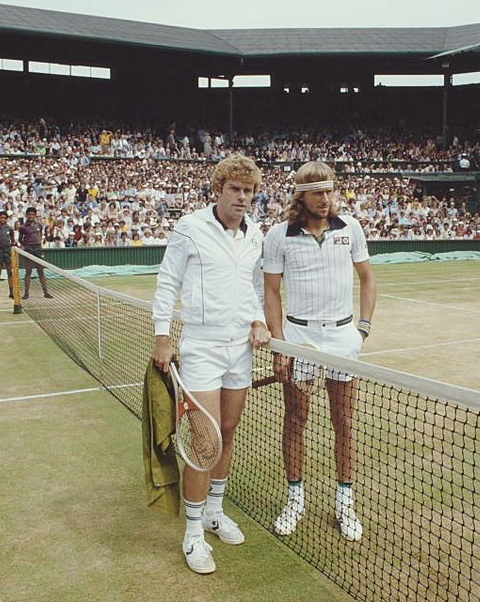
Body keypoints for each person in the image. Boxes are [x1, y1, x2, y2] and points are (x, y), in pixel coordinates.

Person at [150, 155, 271, 575]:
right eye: (235, 189)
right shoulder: (189, 227)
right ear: (218, 189)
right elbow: (168, 280)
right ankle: (193, 532)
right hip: (201, 346)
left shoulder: (255, 233)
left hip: (242, 348)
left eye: (249, 190)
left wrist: (258, 319)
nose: (242, 197)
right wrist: (162, 335)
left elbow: (252, 287)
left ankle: (216, 513)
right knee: (204, 442)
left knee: (228, 431)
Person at [262, 161, 377, 542]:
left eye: (329, 191)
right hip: (298, 338)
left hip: (343, 338)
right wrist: (279, 344)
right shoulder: (279, 236)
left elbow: (368, 280)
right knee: (295, 420)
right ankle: (295, 498)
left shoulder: (352, 229)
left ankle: (345, 502)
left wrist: (362, 330)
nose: (325, 199)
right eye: (317, 192)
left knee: (343, 422)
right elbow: (271, 293)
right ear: (301, 195)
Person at [19, 206, 53, 299]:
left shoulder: (39, 225)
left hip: (38, 249)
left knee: (41, 271)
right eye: (29, 214)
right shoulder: (22, 227)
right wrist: (27, 246)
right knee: (28, 272)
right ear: (27, 215)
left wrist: (38, 244)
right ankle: (26, 294)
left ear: (35, 215)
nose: (31, 216)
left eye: (33, 214)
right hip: (29, 249)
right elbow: (20, 239)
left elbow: (40, 235)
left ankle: (46, 292)